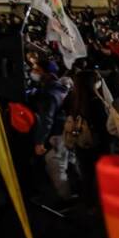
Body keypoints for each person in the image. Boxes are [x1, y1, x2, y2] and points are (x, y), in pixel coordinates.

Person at [64, 70, 112, 202]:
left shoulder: (73, 99)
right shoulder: (96, 102)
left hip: (80, 141)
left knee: (86, 173)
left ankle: (88, 201)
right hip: (97, 143)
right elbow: (104, 127)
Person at [30, 59, 73, 199]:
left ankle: (66, 199)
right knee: (66, 163)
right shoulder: (58, 87)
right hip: (64, 132)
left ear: (46, 73)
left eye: (37, 70)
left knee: (56, 165)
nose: (33, 72)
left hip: (56, 134)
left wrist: (39, 142)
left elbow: (47, 119)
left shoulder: (49, 93)